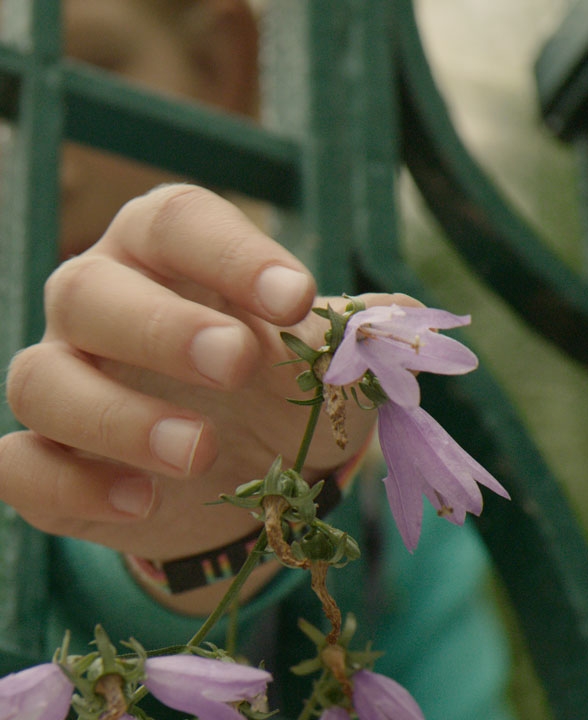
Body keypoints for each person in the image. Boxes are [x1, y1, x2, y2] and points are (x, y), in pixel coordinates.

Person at [0, 1, 513, 718]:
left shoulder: (382, 512)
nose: (15, 141)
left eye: (92, 63)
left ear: (221, 63)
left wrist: (195, 553)